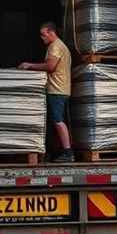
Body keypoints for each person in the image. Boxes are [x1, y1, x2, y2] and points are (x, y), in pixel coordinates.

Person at [19, 21, 73, 162]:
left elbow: (50, 66)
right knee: (54, 121)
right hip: (60, 89)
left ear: (51, 32)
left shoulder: (55, 46)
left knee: (58, 120)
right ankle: (57, 152)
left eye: (43, 35)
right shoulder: (61, 46)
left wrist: (29, 66)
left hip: (57, 89)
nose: (42, 38)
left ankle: (68, 152)